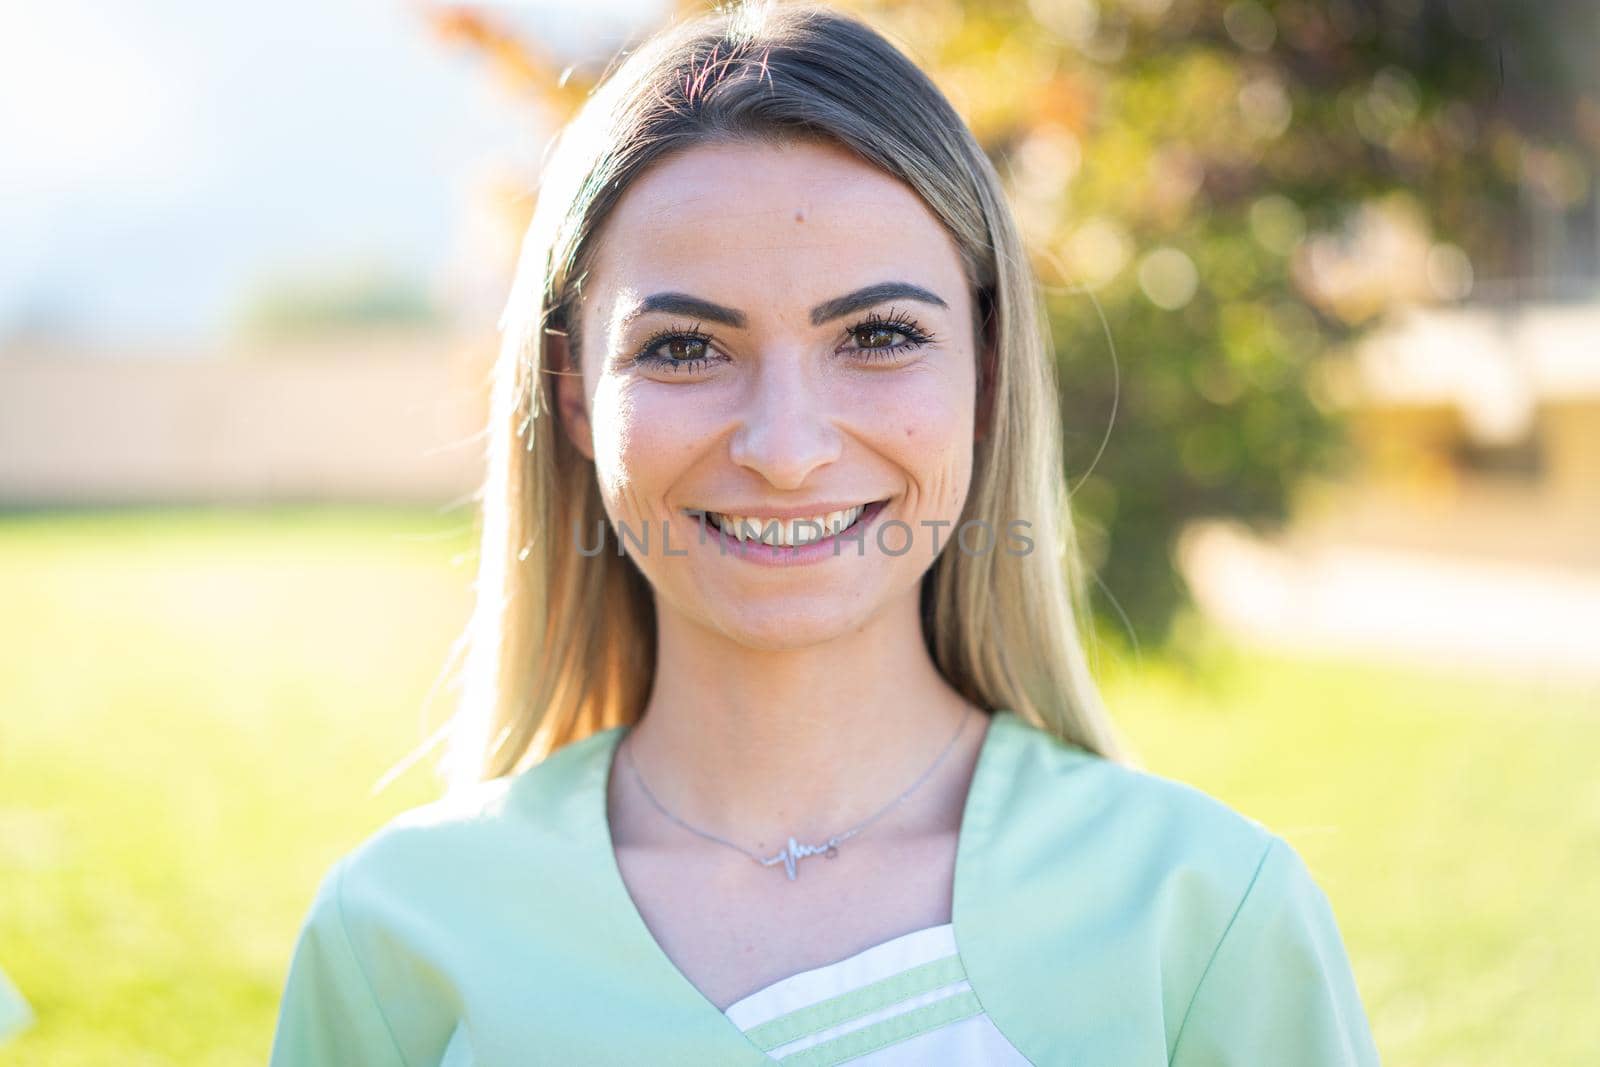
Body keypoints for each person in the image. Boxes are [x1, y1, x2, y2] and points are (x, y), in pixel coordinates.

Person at [270, 2, 1382, 1063]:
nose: (786, 446)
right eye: (685, 348)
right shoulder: (397, 939)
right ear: (571, 395)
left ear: (987, 377)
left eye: (880, 334)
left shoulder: (1200, 915)